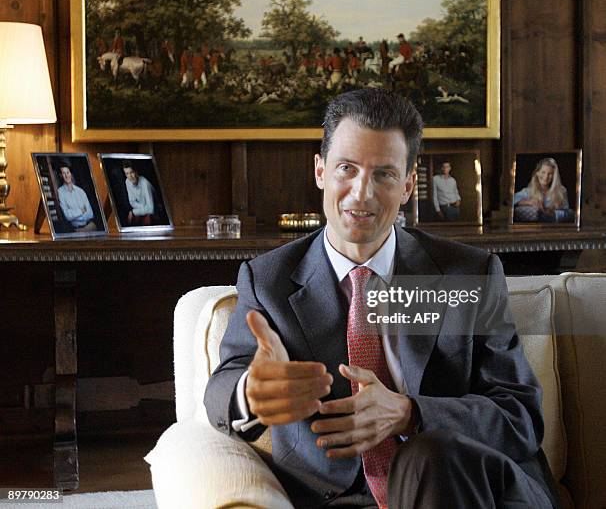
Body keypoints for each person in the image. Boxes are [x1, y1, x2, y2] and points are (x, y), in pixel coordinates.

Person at [205, 88, 559, 508]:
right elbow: (221, 390)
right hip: (339, 498)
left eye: (384, 174)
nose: (361, 193)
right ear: (320, 171)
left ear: (408, 185)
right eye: (347, 169)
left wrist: (411, 413)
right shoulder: (269, 281)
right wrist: (249, 391)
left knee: (428, 454)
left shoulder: (468, 274)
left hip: (470, 490)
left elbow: (520, 418)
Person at [513, 158, 573, 223]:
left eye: (550, 174)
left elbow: (569, 214)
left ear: (554, 176)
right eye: (543, 172)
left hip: (556, 228)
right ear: (537, 173)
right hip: (535, 229)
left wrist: (552, 213)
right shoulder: (528, 191)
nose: (546, 177)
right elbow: (511, 200)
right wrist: (529, 202)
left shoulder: (561, 191)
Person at [56, 161, 96, 232]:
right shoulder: (60, 192)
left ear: (70, 174)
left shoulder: (80, 191)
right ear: (60, 176)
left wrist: (74, 214)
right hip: (76, 229)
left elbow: (90, 214)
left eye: (68, 172)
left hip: (90, 226)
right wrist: (81, 211)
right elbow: (67, 216)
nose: (66, 175)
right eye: (63, 173)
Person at [122, 161, 155, 226]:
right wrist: (143, 207)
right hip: (144, 209)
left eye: (131, 172)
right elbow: (132, 202)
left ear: (136, 172)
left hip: (156, 213)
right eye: (127, 174)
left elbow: (151, 209)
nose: (130, 176)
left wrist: (134, 212)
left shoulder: (145, 183)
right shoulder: (127, 182)